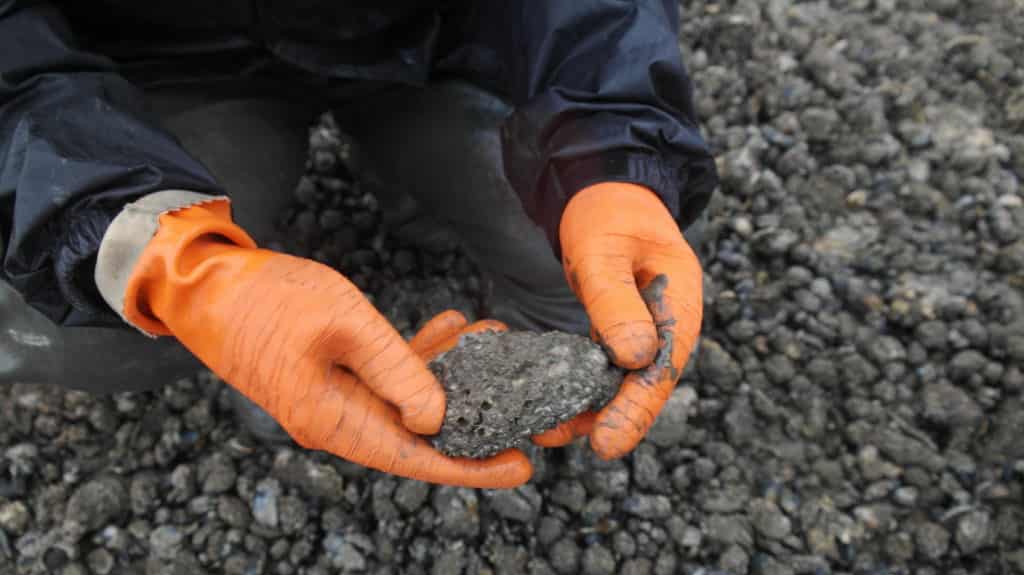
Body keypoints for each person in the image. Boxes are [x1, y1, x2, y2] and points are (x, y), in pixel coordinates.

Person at [0, 1, 718, 489]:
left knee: (594, 274)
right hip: (149, 61)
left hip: (425, 36)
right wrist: (163, 258)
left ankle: (406, 163)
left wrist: (615, 140)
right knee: (66, 316)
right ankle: (236, 253)